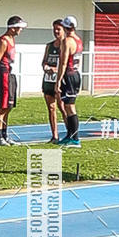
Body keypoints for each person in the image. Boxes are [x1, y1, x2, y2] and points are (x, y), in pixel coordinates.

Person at [0, 15, 27, 145]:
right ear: (12, 28)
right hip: (5, 76)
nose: (20, 30)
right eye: (19, 28)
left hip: (11, 76)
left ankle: (5, 135)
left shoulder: (12, 40)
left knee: (9, 107)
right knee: (3, 107)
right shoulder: (3, 41)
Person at [56, 14, 83, 147]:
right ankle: (70, 134)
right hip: (76, 74)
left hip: (69, 75)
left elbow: (63, 62)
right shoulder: (78, 39)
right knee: (67, 106)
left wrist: (58, 80)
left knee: (70, 107)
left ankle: (75, 138)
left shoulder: (67, 41)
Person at [41, 19, 66, 144]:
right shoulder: (49, 46)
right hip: (48, 81)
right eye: (54, 29)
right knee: (51, 108)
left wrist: (57, 70)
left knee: (63, 107)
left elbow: (68, 64)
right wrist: (46, 67)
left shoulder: (66, 45)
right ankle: (54, 136)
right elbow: (44, 61)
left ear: (64, 30)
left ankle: (70, 133)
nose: (56, 31)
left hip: (60, 82)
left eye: (58, 29)